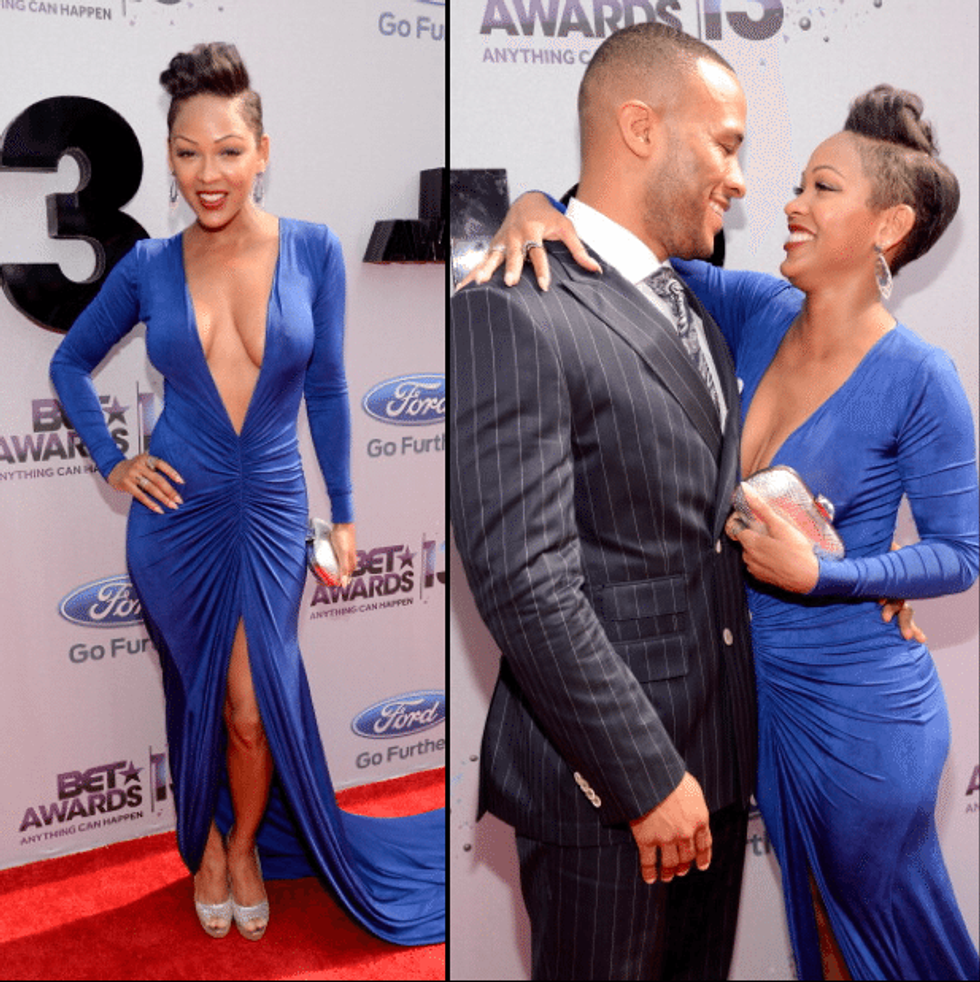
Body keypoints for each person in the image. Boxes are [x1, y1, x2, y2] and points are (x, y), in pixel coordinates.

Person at [464, 82, 979, 980]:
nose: (789, 202)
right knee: (815, 928)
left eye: (822, 188)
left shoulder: (920, 375)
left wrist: (834, 576)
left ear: (890, 225)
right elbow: (618, 240)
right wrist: (537, 204)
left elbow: (962, 553)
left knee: (865, 940)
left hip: (859, 707)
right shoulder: (752, 309)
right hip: (755, 699)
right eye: (802, 183)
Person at [50, 42, 444, 945]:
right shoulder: (149, 264)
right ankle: (213, 848)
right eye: (188, 153)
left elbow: (330, 389)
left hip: (269, 509)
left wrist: (346, 511)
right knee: (202, 698)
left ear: (262, 152)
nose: (208, 174)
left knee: (250, 709)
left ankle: (244, 846)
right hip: (174, 519)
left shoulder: (312, 249)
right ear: (170, 157)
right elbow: (71, 362)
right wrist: (114, 460)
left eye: (228, 151)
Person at [451, 24, 758, 981]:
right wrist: (646, 777)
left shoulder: (695, 304)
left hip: (715, 771)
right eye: (726, 144)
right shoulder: (511, 307)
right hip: (610, 795)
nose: (740, 178)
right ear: (640, 127)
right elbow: (525, 582)